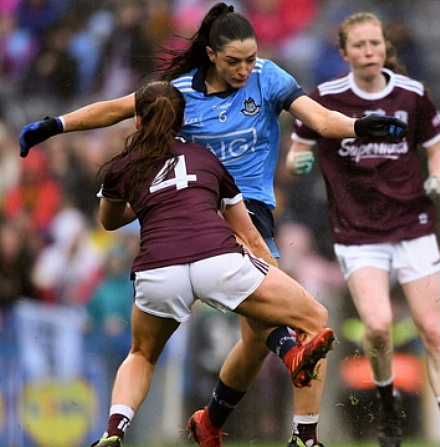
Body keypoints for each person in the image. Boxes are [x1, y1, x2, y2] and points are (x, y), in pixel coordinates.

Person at [17, 3, 407, 447]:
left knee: (256, 341)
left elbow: (320, 119)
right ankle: (304, 436)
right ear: (210, 54)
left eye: (250, 58)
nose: (245, 69)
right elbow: (116, 109)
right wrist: (56, 125)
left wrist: (360, 126)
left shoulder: (269, 77)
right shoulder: (180, 89)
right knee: (298, 323)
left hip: (249, 210)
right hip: (202, 212)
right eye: (233, 61)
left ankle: (210, 422)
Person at [89, 80, 334, 447]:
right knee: (313, 318)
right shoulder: (206, 158)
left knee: (141, 354)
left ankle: (112, 432)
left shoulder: (123, 167)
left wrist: (148, 199)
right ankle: (304, 433)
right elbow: (250, 236)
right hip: (216, 261)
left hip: (157, 271)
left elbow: (108, 221)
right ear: (184, 119)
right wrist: (276, 285)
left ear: (137, 121)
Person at [285, 12, 440, 447]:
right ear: (343, 52)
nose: (369, 52)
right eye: (360, 46)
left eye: (376, 44)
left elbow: (438, 152)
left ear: (386, 48)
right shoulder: (324, 98)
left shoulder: (412, 94)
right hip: (358, 233)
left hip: (413, 226)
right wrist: (300, 162)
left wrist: (438, 175)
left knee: (434, 330)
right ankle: (388, 411)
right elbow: (295, 155)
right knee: (379, 327)